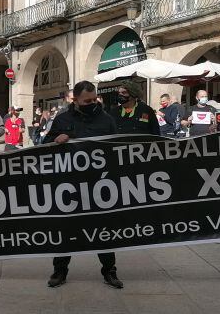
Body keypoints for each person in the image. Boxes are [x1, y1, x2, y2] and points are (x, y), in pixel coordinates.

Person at [46, 80, 124, 290]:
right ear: (76, 100)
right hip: (69, 186)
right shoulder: (62, 119)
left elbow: (116, 149)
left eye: (94, 99)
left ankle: (110, 271)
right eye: (87, 100)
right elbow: (43, 147)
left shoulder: (106, 119)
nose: (92, 103)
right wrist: (57, 140)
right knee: (65, 229)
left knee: (103, 230)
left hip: (99, 184)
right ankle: (60, 271)